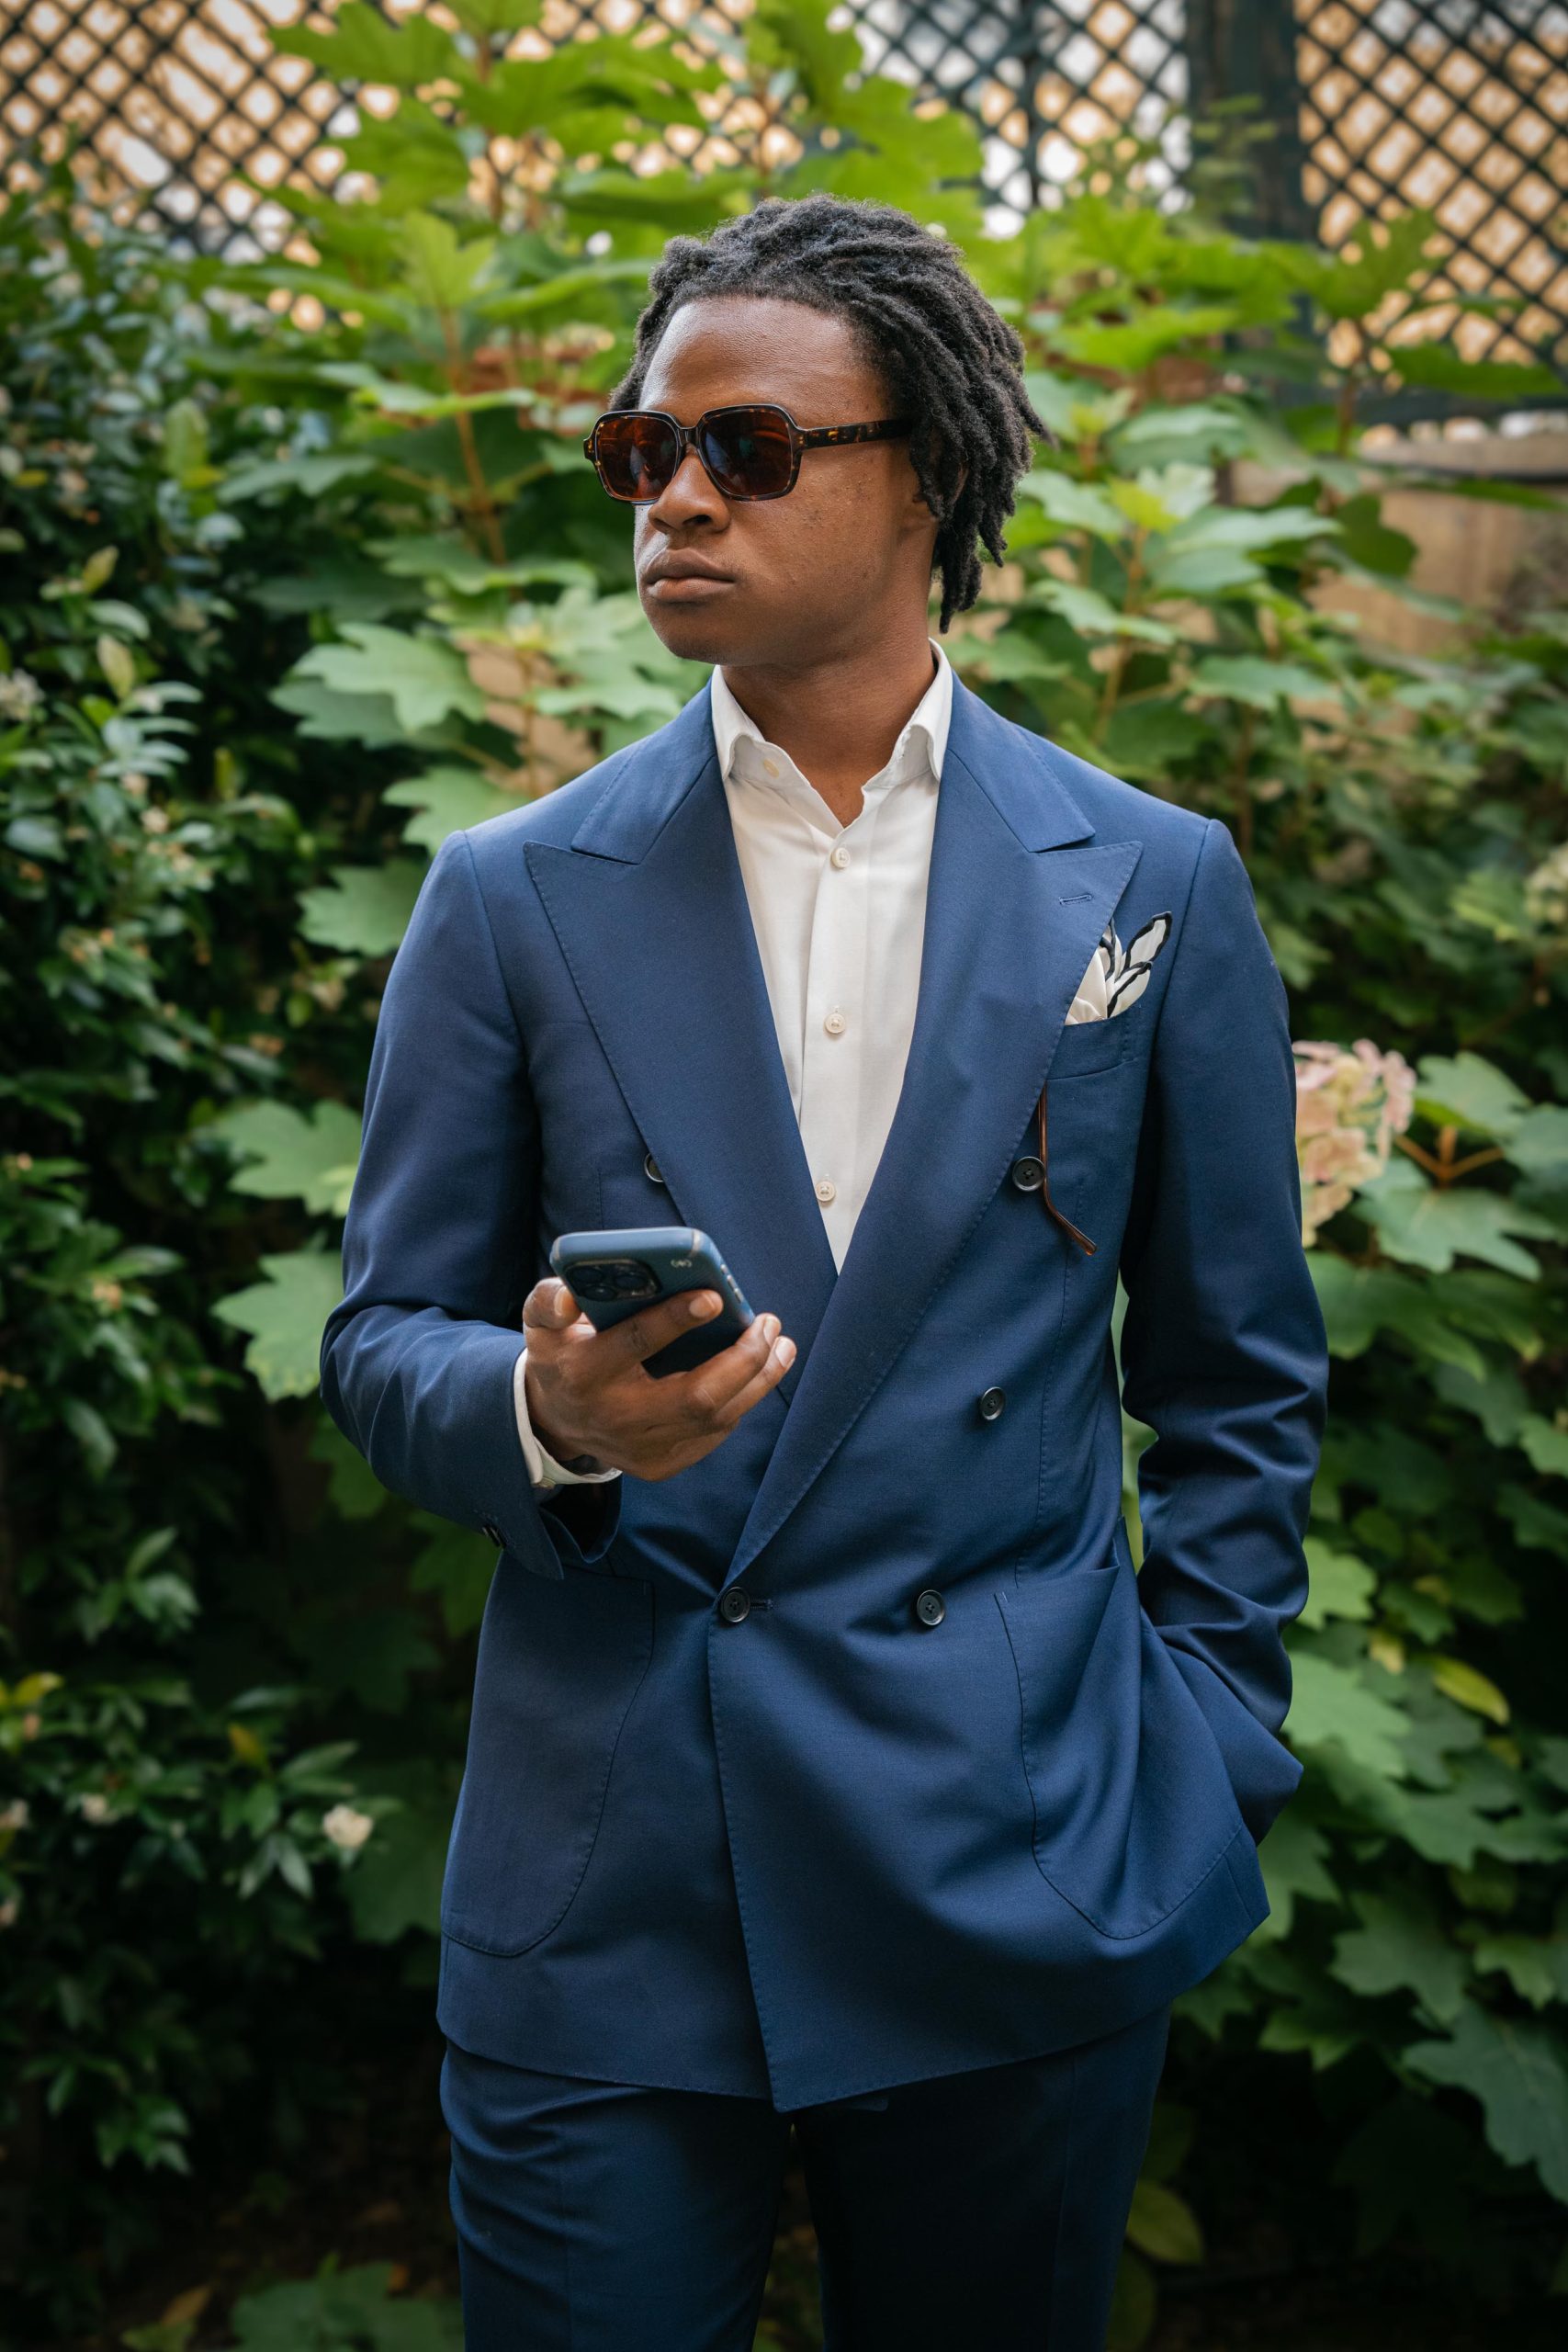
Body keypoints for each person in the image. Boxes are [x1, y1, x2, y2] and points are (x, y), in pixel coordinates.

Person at [320, 191, 1329, 2351]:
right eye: (638, 453)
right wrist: (543, 1417)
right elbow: (379, 1335)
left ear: (927, 477)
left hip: (1019, 1844)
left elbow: (1236, 1370)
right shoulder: (509, 892)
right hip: (611, 1878)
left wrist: (1201, 1733)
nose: (672, 496)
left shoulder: (1147, 880)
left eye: (746, 449)